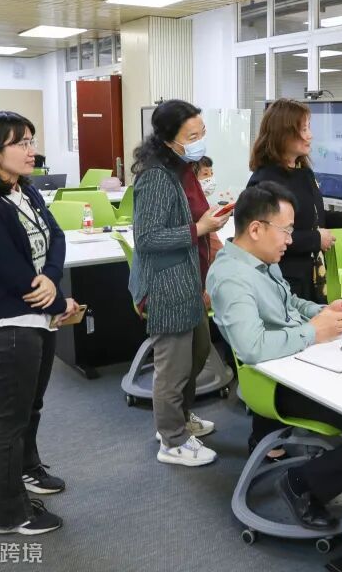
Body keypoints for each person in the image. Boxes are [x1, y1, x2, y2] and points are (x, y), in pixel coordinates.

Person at [0, 112, 82, 536]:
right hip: (10, 325)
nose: (33, 151)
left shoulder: (23, 189)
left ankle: (26, 470)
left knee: (31, 407)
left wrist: (52, 277)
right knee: (8, 420)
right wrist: (59, 298)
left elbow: (56, 237)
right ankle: (5, 513)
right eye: (22, 143)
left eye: (32, 141)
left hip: (39, 319)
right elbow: (8, 268)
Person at [208, 183, 342, 530]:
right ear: (256, 229)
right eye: (286, 230)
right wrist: (313, 332)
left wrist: (323, 311)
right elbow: (252, 346)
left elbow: (290, 304)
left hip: (300, 364)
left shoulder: (263, 263)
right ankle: (302, 484)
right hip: (276, 384)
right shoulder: (232, 277)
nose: (290, 240)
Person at [129, 99, 230, 467]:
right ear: (168, 138)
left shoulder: (183, 167)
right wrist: (199, 228)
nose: (199, 140)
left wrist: (210, 218)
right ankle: (171, 439)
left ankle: (181, 420)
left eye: (202, 133)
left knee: (197, 353)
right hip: (166, 285)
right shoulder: (156, 176)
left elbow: (190, 213)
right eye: (192, 136)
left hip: (189, 279)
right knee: (172, 369)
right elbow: (148, 238)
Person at [247, 99, 342, 303]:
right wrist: (315, 239)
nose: (310, 135)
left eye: (308, 128)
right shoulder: (265, 181)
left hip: (313, 277)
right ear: (283, 134)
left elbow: (311, 217)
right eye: (303, 129)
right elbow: (268, 236)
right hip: (284, 281)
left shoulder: (303, 172)